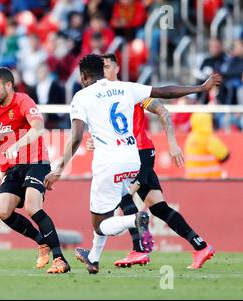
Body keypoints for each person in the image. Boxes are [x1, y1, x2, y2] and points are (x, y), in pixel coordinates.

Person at [44, 54, 222, 274]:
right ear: (103, 70)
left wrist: (58, 169)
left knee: (101, 222)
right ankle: (95, 257)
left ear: (83, 76)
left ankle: (135, 223)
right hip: (132, 157)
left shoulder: (82, 96)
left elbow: (76, 136)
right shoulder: (127, 88)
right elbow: (166, 91)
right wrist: (200, 88)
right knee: (133, 200)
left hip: (110, 160)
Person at [0, 67, 70, 274]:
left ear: (8, 85)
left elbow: (38, 128)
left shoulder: (24, 101)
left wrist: (17, 145)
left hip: (36, 161)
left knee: (32, 206)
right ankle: (42, 242)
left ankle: (60, 259)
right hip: (13, 167)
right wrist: (3, 171)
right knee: (1, 210)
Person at [184, 112, 230, 179]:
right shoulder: (208, 138)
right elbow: (225, 155)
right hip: (209, 180)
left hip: (191, 179)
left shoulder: (190, 138)